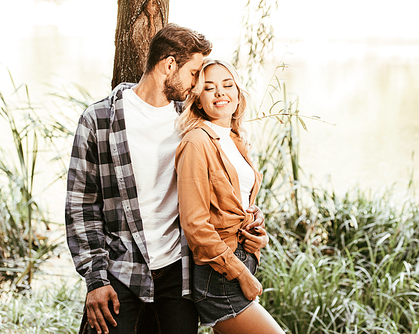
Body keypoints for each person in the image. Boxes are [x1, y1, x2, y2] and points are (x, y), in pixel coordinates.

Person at [65, 24, 266, 334]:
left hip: (179, 273)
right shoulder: (100, 120)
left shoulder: (188, 120)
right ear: (169, 65)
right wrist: (95, 280)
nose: (198, 85)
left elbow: (217, 190)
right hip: (122, 271)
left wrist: (250, 223)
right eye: (194, 73)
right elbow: (82, 207)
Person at [175, 59, 284, 334]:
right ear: (198, 100)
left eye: (227, 85)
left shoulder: (234, 139)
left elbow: (234, 200)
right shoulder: (196, 143)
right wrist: (241, 274)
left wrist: (255, 220)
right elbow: (195, 226)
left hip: (240, 259)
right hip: (220, 275)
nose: (220, 93)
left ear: (238, 94)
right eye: (209, 88)